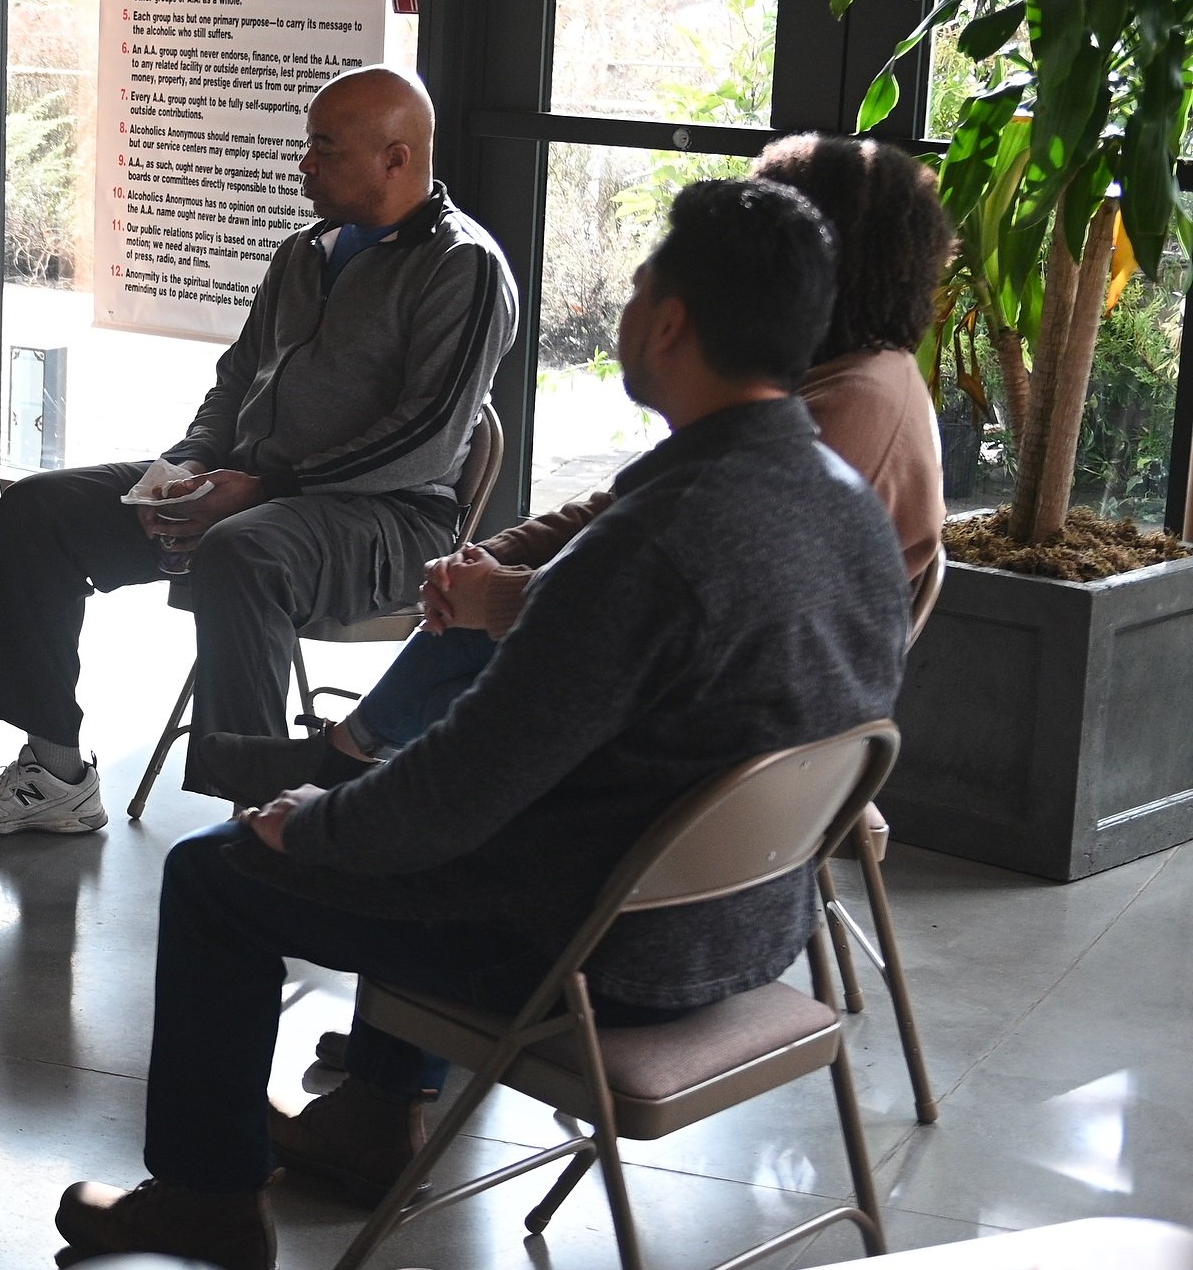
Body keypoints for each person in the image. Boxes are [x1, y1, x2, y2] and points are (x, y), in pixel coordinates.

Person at [54, 179, 907, 1270]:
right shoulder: (848, 510)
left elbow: (462, 790)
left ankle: (207, 1210)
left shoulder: (654, 546)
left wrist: (312, 822)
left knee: (221, 875)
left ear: (673, 321)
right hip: (750, 933)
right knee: (401, 806)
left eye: (643, 281)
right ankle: (375, 1110)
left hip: (596, 953)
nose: (630, 305)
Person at [188, 132, 953, 808]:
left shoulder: (845, 412)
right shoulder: (837, 382)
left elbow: (653, 598)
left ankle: (353, 775)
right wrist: (504, 554)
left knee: (219, 874)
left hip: (713, 755)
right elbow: (629, 506)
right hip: (710, 713)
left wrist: (503, 596)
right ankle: (358, 770)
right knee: (478, 650)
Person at [0, 66, 517, 836]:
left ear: (396, 159)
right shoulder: (304, 251)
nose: (304, 163)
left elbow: (426, 437)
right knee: (39, 507)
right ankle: (56, 772)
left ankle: (263, 818)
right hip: (256, 494)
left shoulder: (462, 267)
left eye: (324, 148)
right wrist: (188, 467)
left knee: (244, 549)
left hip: (391, 521)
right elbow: (238, 378)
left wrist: (264, 487)